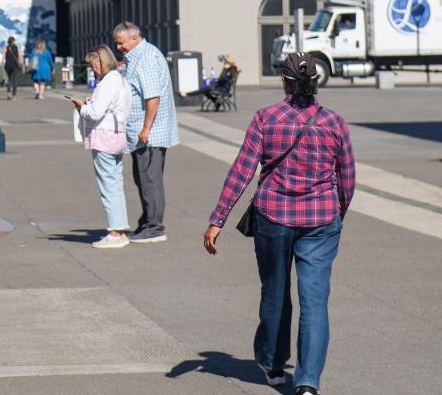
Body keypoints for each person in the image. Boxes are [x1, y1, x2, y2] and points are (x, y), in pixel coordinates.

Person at [204, 53, 355, 395]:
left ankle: (273, 365)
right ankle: (307, 382)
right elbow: (347, 178)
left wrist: (218, 220)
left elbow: (242, 171)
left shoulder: (266, 118)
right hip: (321, 219)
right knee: (315, 300)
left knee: (275, 290)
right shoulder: (334, 122)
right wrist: (336, 213)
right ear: (316, 82)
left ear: (284, 82)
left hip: (274, 216)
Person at [113, 21, 179, 243]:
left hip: (149, 133)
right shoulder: (139, 56)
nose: (118, 47)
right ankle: (147, 222)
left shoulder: (146, 58)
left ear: (134, 38)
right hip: (145, 131)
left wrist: (146, 128)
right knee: (144, 179)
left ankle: (154, 227)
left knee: (149, 179)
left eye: (120, 42)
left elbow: (153, 97)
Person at [70, 45, 132, 248]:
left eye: (93, 64)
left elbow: (95, 113)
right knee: (115, 183)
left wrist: (82, 106)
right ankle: (120, 228)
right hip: (117, 134)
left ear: (100, 61)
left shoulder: (108, 82)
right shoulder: (121, 80)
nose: (92, 68)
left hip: (104, 136)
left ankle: (115, 232)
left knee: (108, 186)